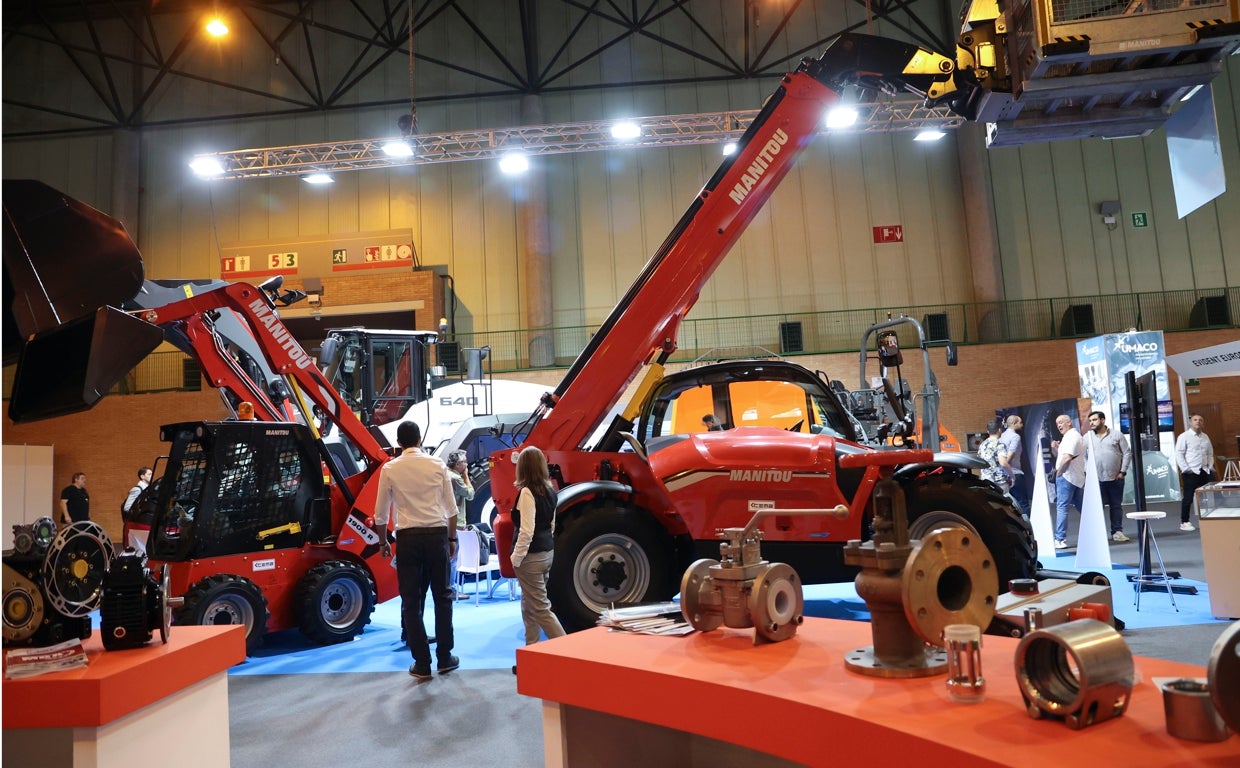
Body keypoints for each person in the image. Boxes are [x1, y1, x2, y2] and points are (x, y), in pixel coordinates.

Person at [373, 421, 460, 680]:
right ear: (420, 439)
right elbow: (452, 510)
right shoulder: (437, 465)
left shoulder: (389, 468)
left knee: (411, 601)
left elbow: (380, 514)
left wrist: (382, 542)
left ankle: (422, 663)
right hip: (436, 537)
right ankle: (445, 658)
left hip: (408, 539)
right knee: (443, 597)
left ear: (399, 443)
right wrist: (452, 539)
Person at [509, 445, 566, 675]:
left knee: (540, 609)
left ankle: (571, 653)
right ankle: (530, 655)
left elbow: (526, 531)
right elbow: (551, 525)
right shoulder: (550, 489)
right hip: (546, 553)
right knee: (529, 607)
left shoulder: (526, 493)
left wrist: (516, 557)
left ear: (522, 468)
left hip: (530, 557)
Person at [1086, 411, 1131, 542]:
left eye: (1094, 420)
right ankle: (1097, 535)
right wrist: (1087, 472)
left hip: (1115, 478)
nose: (1091, 423)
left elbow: (1127, 453)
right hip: (1097, 480)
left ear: (1103, 420)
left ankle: (1117, 532)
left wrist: (1123, 471)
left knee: (1116, 506)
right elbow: (1083, 455)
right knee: (1096, 507)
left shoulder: (1117, 435)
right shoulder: (1087, 437)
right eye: (1090, 421)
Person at [1175, 413, 1215, 532]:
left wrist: (1210, 466)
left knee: (1214, 493)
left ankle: (1213, 517)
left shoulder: (1205, 437)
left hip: (1205, 470)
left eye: (1200, 420)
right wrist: (1187, 469)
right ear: (1190, 423)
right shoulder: (1184, 436)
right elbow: (1179, 454)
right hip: (1191, 472)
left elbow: (1210, 453)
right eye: (1195, 420)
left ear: (1203, 423)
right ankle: (1184, 522)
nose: (1198, 421)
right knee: (1188, 498)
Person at [1050, 414, 1085, 550]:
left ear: (1069, 423)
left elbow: (1066, 458)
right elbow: (1064, 455)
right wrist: (1055, 449)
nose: (1058, 425)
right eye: (1057, 423)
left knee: (1062, 507)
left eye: (1061, 422)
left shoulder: (1071, 437)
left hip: (1067, 477)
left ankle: (1060, 539)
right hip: (1075, 477)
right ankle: (1094, 532)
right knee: (1082, 507)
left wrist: (1059, 473)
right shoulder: (1070, 437)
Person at [446, 450, 475, 600]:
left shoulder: (444, 473)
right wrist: (466, 477)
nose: (466, 464)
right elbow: (470, 494)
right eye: (464, 461)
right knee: (453, 559)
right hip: (455, 524)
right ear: (458, 464)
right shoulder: (457, 478)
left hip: (442, 521)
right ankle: (451, 590)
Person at [1000, 415, 1028, 516]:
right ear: (1014, 423)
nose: (1022, 425)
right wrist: (1006, 468)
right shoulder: (1015, 436)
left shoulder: (1002, 436)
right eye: (1020, 423)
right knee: (1023, 503)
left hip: (1004, 475)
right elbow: (1010, 455)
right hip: (1015, 474)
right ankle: (1028, 529)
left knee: (1011, 505)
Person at [977, 420, 1012, 494]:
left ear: (988, 431)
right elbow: (1003, 463)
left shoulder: (982, 445)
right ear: (999, 430)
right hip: (1000, 482)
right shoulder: (999, 444)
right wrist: (1012, 475)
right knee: (1004, 503)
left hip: (986, 481)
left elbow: (979, 461)